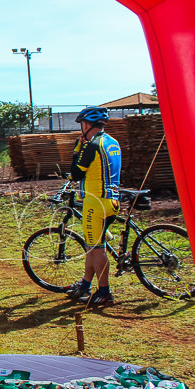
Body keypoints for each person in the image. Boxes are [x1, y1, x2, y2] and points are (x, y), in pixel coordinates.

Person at [66, 106, 122, 306]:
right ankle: (85, 285)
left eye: (82, 124)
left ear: (87, 124)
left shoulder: (92, 146)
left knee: (97, 249)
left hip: (94, 203)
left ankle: (105, 292)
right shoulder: (112, 143)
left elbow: (75, 173)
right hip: (112, 200)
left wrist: (77, 149)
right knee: (93, 246)